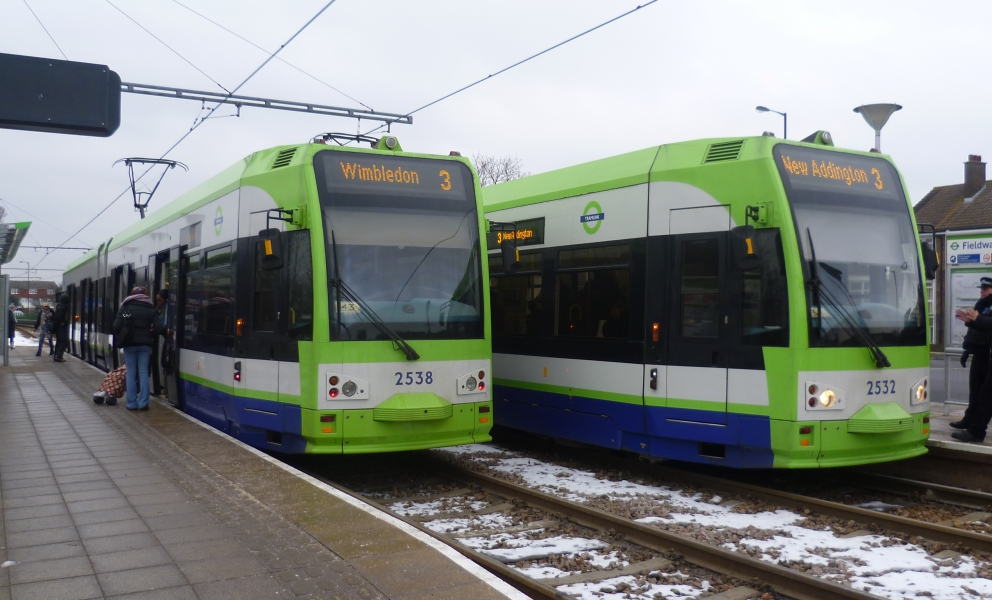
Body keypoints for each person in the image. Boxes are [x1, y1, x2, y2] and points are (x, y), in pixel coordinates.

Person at [952, 277, 992, 443]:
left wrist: (977, 319)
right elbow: (977, 331)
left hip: (987, 355)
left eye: (986, 288)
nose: (982, 291)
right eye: (981, 288)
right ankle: (972, 425)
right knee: (977, 392)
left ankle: (976, 431)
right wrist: (967, 350)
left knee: (985, 395)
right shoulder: (982, 305)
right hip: (982, 354)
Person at [113, 286, 164, 411]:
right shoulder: (151, 308)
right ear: (146, 295)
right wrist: (149, 334)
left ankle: (131, 404)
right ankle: (143, 403)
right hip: (145, 344)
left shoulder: (125, 307)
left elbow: (115, 327)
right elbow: (159, 328)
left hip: (129, 344)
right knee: (143, 373)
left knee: (131, 373)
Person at [52, 293, 70, 362]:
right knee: (64, 341)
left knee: (59, 341)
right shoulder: (63, 307)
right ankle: (59, 356)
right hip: (61, 327)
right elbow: (60, 317)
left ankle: (56, 355)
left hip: (58, 327)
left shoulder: (59, 306)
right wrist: (63, 323)